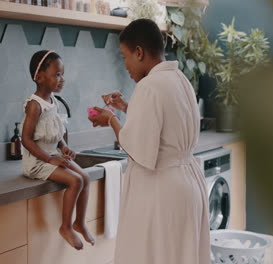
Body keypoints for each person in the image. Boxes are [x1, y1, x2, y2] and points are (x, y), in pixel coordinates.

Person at [89, 19, 211, 264]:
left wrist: (111, 119)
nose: (125, 65)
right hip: (188, 184)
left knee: (153, 256)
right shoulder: (180, 79)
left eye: (125, 57)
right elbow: (165, 122)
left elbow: (139, 150)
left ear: (139, 52)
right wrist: (126, 107)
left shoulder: (149, 86)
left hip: (162, 190)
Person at [21, 50, 95, 250]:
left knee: (85, 178)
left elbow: (55, 132)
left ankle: (79, 222)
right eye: (58, 74)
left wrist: (64, 147)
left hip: (51, 156)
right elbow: (26, 139)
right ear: (39, 77)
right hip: (37, 162)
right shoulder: (34, 106)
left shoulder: (52, 101)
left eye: (62, 74)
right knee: (75, 180)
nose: (62, 79)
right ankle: (66, 226)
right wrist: (49, 159)